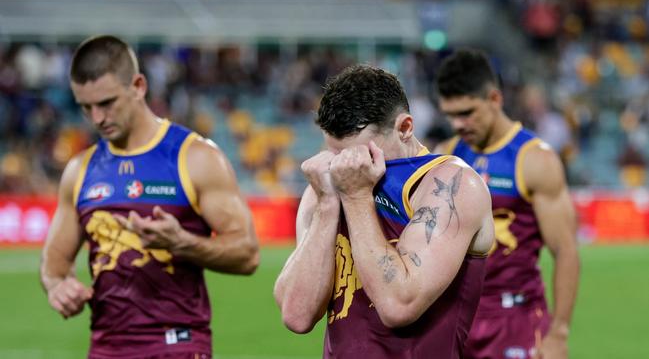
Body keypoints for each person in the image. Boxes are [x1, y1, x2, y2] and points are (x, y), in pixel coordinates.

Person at [39, 35, 259, 359]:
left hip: (178, 344)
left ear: (139, 86)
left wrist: (183, 242)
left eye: (107, 103)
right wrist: (58, 287)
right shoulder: (80, 171)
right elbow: (54, 266)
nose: (97, 118)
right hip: (105, 348)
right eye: (85, 107)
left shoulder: (195, 157)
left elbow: (247, 253)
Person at [274, 65, 495, 358]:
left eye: (361, 154)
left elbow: (398, 306)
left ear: (404, 128)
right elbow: (297, 316)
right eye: (337, 154)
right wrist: (327, 206)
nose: (347, 166)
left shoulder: (451, 185)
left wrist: (356, 197)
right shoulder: (327, 185)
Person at [434, 49, 580, 359]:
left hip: (517, 319)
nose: (458, 123)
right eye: (450, 114)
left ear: (495, 99)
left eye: (467, 112)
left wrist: (560, 332)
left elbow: (565, 250)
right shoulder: (445, 155)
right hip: (455, 319)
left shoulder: (535, 160)